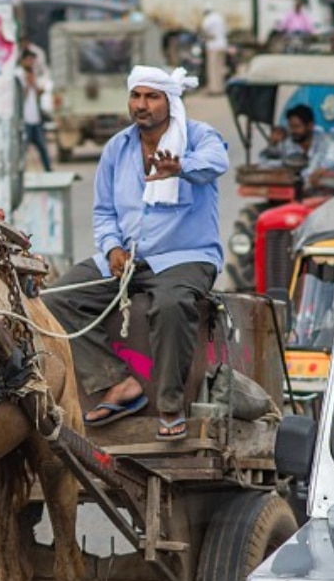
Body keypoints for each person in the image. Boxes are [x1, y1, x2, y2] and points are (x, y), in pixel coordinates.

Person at [44, 65, 227, 441]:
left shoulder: (197, 137)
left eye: (151, 97)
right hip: (128, 259)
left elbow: (217, 163)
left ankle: (171, 406)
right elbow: (104, 212)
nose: (141, 105)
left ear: (169, 101)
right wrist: (111, 248)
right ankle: (118, 382)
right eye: (136, 96)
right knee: (54, 299)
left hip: (185, 257)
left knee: (172, 304)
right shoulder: (117, 147)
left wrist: (181, 166)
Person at [265, 104, 334, 191]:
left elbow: (332, 162)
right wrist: (272, 143)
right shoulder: (286, 144)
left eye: (296, 127)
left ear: (310, 126)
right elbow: (267, 162)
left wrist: (322, 171)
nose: (292, 131)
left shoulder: (328, 143)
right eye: (290, 127)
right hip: (294, 196)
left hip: (326, 197)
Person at [20, 49, 52, 170]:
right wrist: (28, 83)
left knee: (43, 147)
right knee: (23, 149)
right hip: (25, 119)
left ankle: (49, 171)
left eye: (32, 60)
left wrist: (36, 85)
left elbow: (37, 93)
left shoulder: (32, 74)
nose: (31, 63)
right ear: (23, 60)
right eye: (29, 60)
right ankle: (21, 171)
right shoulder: (19, 75)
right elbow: (21, 97)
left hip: (35, 118)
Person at [200, 3, 228, 95]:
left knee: (212, 68)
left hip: (213, 46)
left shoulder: (208, 19)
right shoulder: (219, 18)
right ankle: (221, 88)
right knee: (220, 68)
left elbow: (205, 32)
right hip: (223, 45)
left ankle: (214, 89)